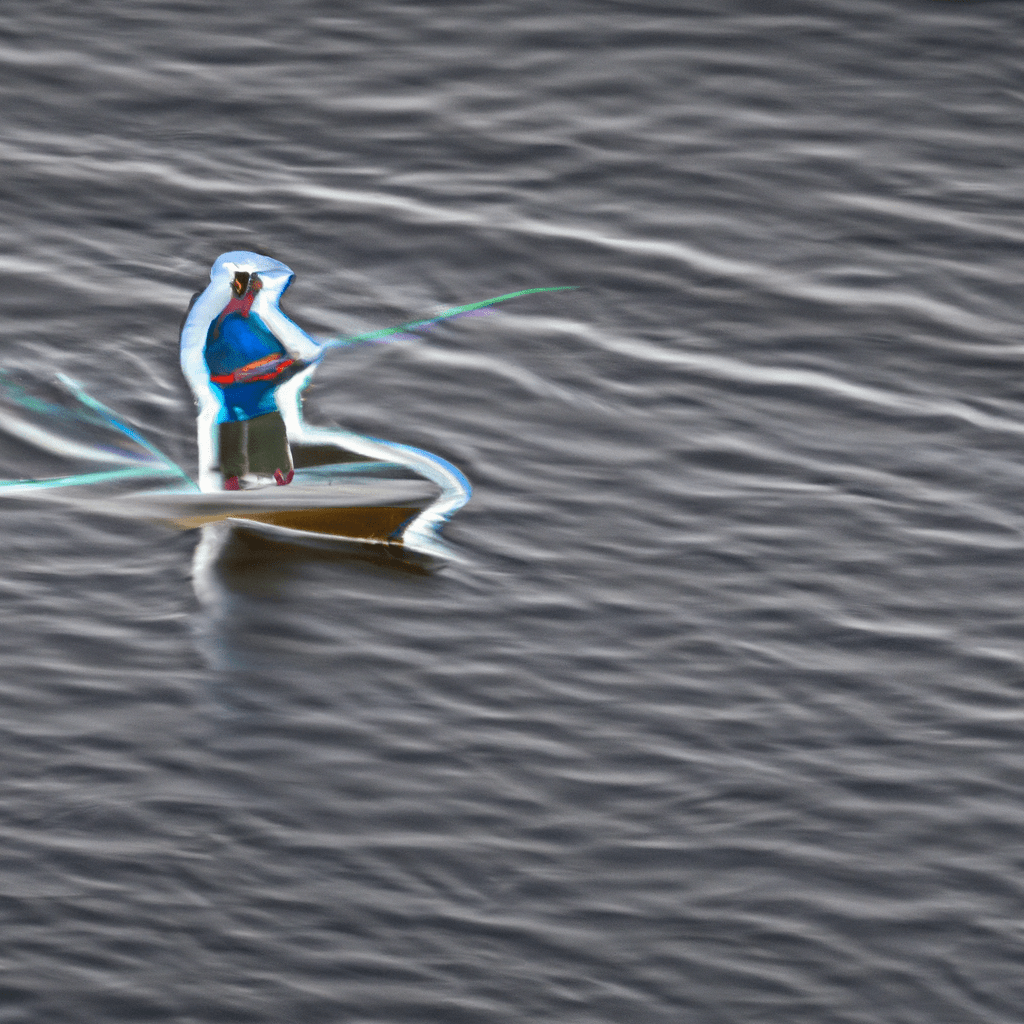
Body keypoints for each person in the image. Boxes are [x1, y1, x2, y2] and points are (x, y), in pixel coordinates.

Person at [180, 251, 324, 491]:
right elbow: (211, 357)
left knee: (269, 422)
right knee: (230, 423)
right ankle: (231, 478)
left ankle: (279, 473)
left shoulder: (253, 322)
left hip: (262, 389)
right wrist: (232, 376)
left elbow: (276, 351)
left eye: (253, 294)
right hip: (230, 388)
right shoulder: (219, 324)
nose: (249, 300)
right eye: (248, 294)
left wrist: (284, 363)